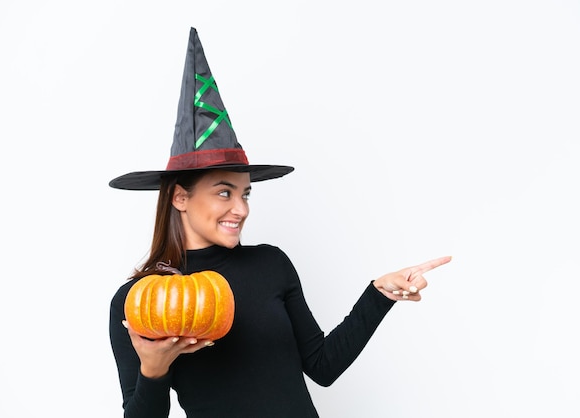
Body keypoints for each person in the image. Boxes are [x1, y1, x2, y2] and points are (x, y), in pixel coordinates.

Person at [108, 28, 451, 418]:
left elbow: (322, 367)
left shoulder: (270, 265)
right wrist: (153, 371)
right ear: (180, 197)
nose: (241, 208)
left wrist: (378, 294)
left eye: (246, 194)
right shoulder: (141, 301)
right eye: (224, 192)